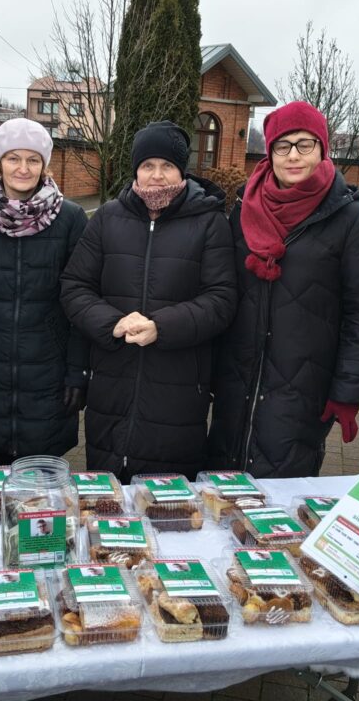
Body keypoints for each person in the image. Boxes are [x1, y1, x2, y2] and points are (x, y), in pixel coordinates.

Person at [207, 101, 359, 478]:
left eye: (305, 144)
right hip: (237, 378)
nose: (293, 155)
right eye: (283, 145)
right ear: (269, 152)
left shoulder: (350, 219)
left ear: (323, 149)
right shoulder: (243, 209)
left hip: (303, 385)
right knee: (223, 483)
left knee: (280, 491)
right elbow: (222, 291)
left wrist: (348, 392)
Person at [60, 121, 236, 481]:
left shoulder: (210, 222)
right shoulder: (107, 217)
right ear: (135, 170)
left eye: (167, 165)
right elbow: (75, 286)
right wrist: (112, 322)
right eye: (147, 165)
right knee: (108, 497)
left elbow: (221, 300)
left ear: (182, 169)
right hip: (111, 382)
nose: (157, 175)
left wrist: (162, 327)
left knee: (168, 501)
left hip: (179, 387)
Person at [0, 118, 88, 477]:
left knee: (44, 488)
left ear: (44, 165)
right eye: (13, 158)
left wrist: (78, 372)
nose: (23, 168)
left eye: (33, 159)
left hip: (49, 370)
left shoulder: (71, 219)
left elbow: (80, 302)